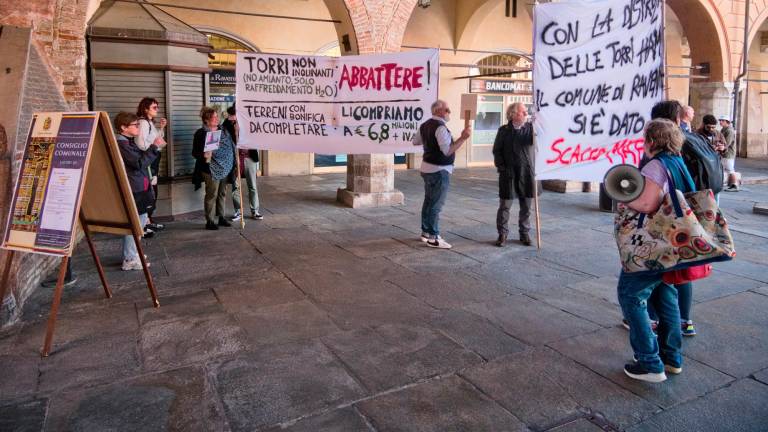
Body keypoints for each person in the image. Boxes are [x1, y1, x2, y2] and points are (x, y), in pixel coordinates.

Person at [617, 118, 694, 383]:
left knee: (630, 295)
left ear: (651, 140)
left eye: (644, 137)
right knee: (665, 295)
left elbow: (648, 203)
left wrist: (625, 199)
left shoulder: (656, 165)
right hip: (673, 243)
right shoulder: (677, 161)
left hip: (652, 245)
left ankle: (650, 363)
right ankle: (671, 358)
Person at [411, 99, 471, 249]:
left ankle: (426, 232)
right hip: (439, 170)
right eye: (447, 110)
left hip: (426, 168)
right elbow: (447, 151)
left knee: (429, 201)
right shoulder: (441, 128)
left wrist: (428, 142)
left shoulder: (425, 125)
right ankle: (433, 237)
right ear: (438, 111)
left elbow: (415, 141)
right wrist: (463, 138)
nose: (449, 112)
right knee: (436, 204)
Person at [114, 112, 164, 270]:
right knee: (136, 224)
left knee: (140, 222)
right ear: (123, 127)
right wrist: (155, 147)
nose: (138, 127)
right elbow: (139, 163)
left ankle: (133, 253)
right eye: (135, 125)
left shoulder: (128, 142)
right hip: (135, 188)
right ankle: (129, 258)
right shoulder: (123, 144)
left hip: (140, 185)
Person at [492, 102, 539, 247]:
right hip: (509, 174)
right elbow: (497, 151)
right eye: (522, 112)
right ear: (513, 114)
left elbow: (536, 142)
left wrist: (539, 125)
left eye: (526, 112)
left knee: (526, 206)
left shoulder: (531, 129)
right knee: (505, 206)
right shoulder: (504, 130)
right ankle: (502, 234)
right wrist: (502, 168)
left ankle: (524, 233)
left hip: (527, 173)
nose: (526, 114)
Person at [192, 107, 235, 230]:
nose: (217, 119)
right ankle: (209, 221)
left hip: (225, 167)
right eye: (214, 117)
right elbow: (194, 153)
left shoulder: (224, 130)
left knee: (222, 193)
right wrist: (204, 154)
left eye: (217, 116)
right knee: (212, 194)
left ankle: (221, 217)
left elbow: (229, 145)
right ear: (206, 120)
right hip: (210, 169)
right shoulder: (201, 133)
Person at [221, 105, 263, 220]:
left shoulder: (249, 122)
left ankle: (255, 210)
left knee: (252, 185)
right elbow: (223, 137)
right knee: (236, 186)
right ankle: (238, 211)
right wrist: (233, 128)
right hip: (235, 158)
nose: (232, 118)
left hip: (250, 157)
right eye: (231, 116)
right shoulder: (227, 125)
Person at [135, 97, 168, 236]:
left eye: (157, 107)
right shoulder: (143, 123)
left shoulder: (149, 122)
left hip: (153, 159)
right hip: (148, 160)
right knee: (149, 192)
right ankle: (144, 225)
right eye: (154, 107)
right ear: (145, 109)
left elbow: (156, 139)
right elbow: (141, 144)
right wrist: (154, 144)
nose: (157, 110)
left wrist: (161, 128)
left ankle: (147, 221)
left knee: (152, 190)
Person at [719, 117, 739, 190]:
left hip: (728, 153)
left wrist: (721, 147)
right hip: (724, 153)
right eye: (720, 120)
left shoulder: (729, 131)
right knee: (724, 169)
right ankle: (730, 184)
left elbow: (727, 143)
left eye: (722, 120)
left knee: (730, 169)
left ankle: (734, 184)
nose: (720, 122)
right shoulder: (723, 129)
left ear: (727, 122)